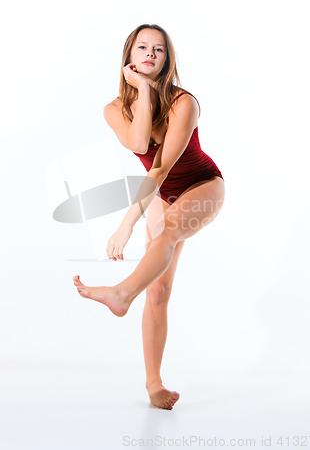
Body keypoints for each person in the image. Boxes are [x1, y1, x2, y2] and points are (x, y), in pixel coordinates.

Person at [73, 24, 226, 410]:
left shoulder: (183, 103)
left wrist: (125, 225)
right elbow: (140, 143)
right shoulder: (114, 109)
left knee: (167, 236)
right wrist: (141, 90)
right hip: (159, 193)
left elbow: (158, 168)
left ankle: (122, 293)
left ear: (167, 59)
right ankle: (154, 384)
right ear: (129, 55)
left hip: (201, 184)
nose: (150, 54)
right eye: (143, 47)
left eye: (159, 50)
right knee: (157, 290)